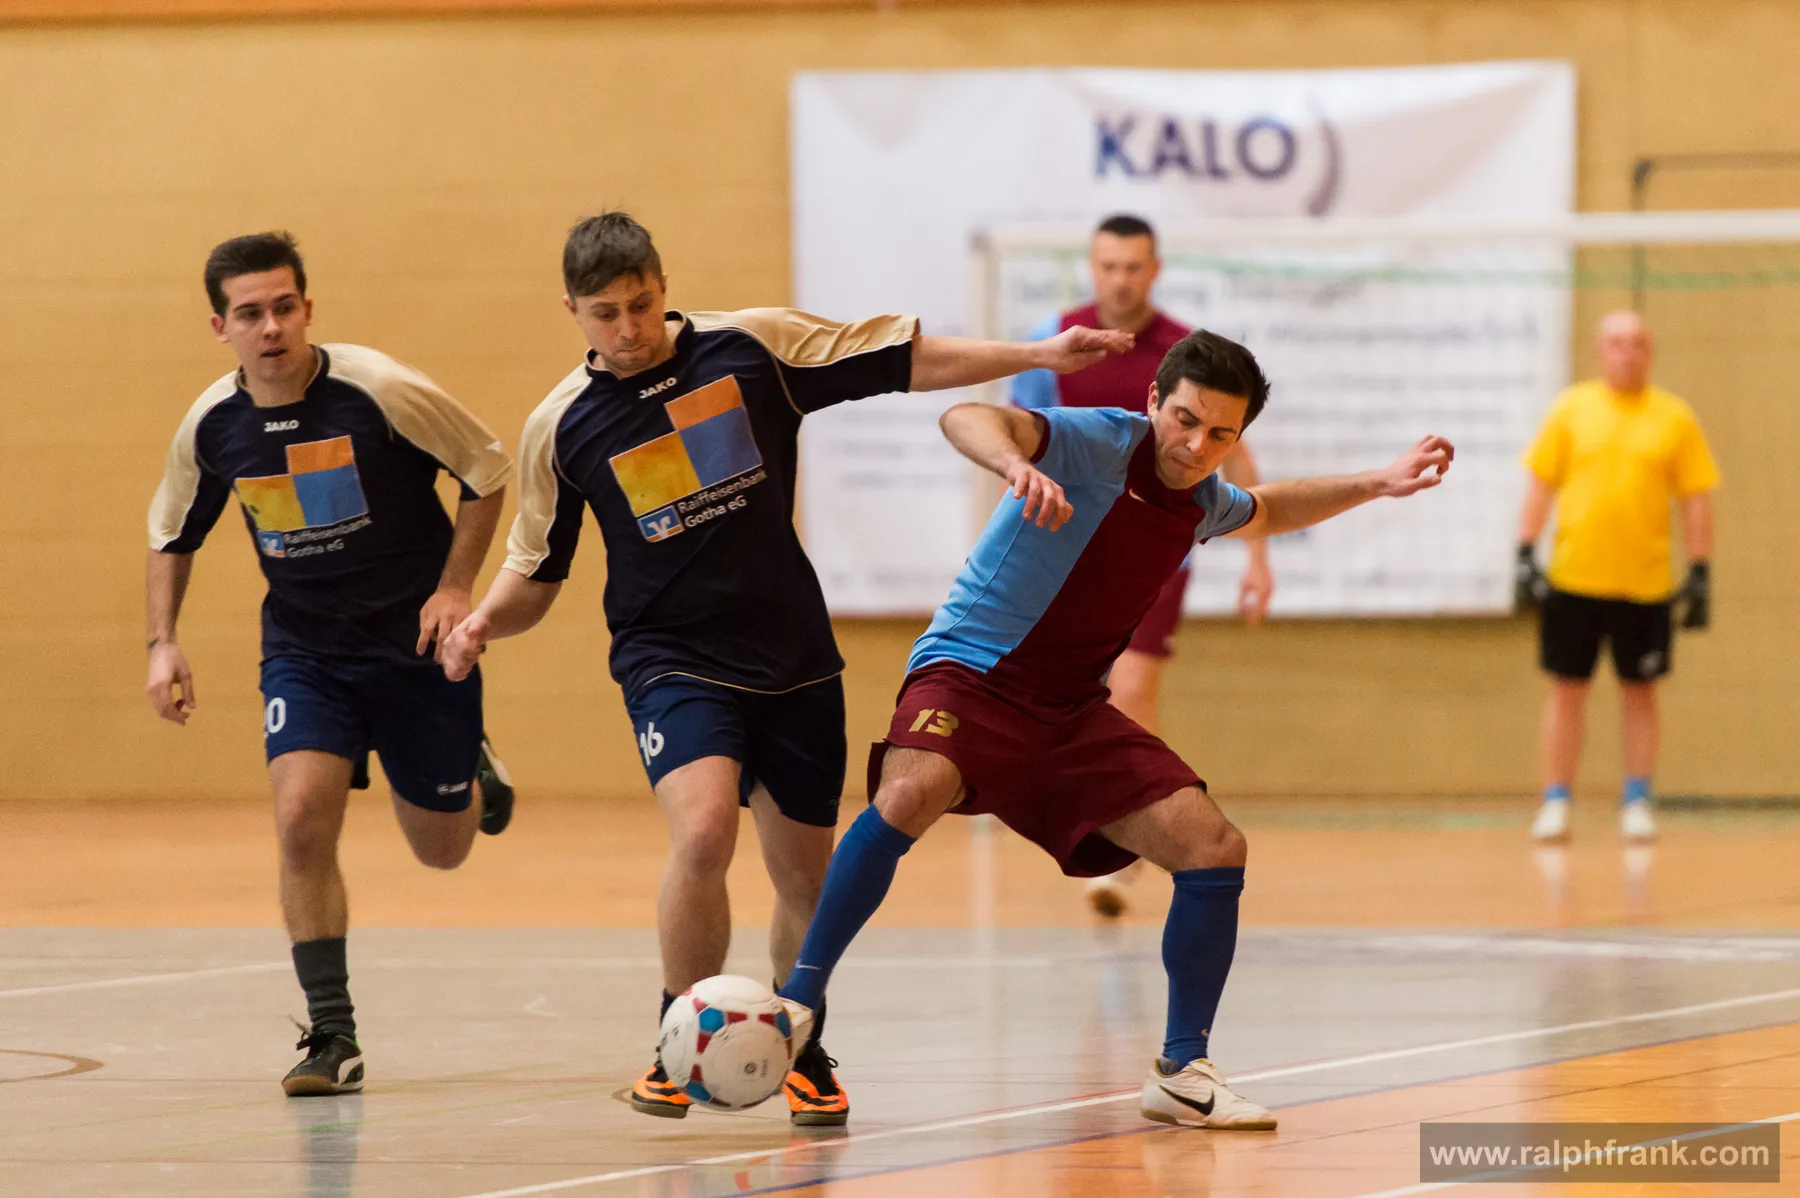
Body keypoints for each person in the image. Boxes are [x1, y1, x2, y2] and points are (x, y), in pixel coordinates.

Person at [437, 212, 1130, 1126]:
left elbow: (902, 359)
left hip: (793, 656)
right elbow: (536, 568)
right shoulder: (561, 426)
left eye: (641, 304)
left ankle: (801, 1042)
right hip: (671, 659)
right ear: (572, 311)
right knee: (704, 830)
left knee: (807, 879)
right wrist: (484, 621)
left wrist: (1037, 353)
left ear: (663, 284)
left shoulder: (751, 348)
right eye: (605, 314)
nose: (629, 329)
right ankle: (676, 1041)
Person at [774, 329, 1453, 1131]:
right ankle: (798, 1004)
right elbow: (964, 416)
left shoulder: (1203, 501)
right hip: (971, 671)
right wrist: (1015, 464)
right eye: (1185, 420)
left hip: (1068, 711)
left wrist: (1378, 481)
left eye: (1221, 434)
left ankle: (1182, 1070)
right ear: (1154, 401)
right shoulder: (1098, 442)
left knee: (1213, 845)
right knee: (910, 790)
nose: (1196, 445)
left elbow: (1270, 509)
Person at [145, 233, 517, 1096]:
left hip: (415, 651)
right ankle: (332, 1035)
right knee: (301, 819)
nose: (270, 327)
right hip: (307, 653)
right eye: (249, 314)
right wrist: (162, 641)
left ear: (307, 308)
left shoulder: (379, 392)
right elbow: (171, 531)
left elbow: (488, 470)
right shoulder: (213, 426)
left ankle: (470, 766)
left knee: (443, 851)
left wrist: (456, 588)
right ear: (220, 327)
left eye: (284, 307)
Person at [1011, 214, 1273, 919]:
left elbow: (1236, 455)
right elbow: (1018, 443)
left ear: (1154, 270)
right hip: (1065, 552)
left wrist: (1257, 557)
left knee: (1132, 689)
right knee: (1058, 696)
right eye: (1108, 266)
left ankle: (1125, 848)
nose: (1120, 280)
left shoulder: (1184, 355)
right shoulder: (1056, 340)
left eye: (1133, 267)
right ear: (1091, 267)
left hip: (1155, 553)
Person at [1515, 310, 1718, 844]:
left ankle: (1636, 800)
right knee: (1567, 689)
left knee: (1640, 692)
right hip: (1574, 580)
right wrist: (1524, 551)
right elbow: (1540, 484)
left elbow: (1696, 498)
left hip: (1645, 586)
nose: (1627, 353)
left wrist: (1701, 570)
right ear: (1600, 351)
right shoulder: (1570, 410)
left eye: (1637, 343)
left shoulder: (1675, 418)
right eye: (1617, 343)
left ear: (1650, 352)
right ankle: (1556, 800)